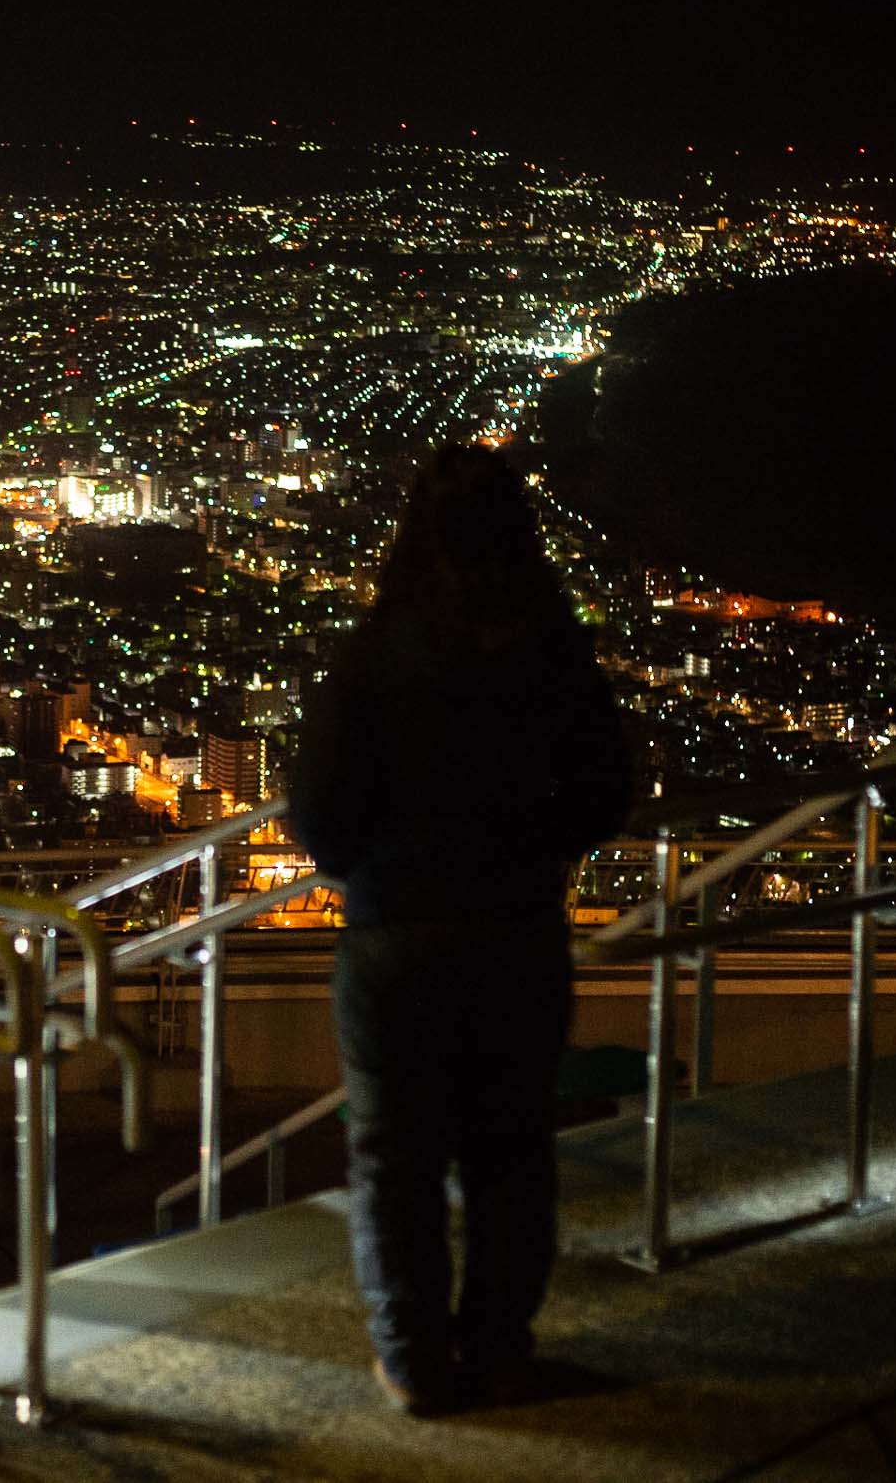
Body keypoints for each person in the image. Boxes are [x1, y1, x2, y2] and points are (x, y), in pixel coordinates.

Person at [289, 444, 631, 1416]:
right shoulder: (553, 649)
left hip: (396, 933)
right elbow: (607, 790)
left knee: (394, 1159)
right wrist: (534, 846)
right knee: (512, 1152)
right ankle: (500, 1348)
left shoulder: (378, 647)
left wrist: (377, 860)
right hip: (517, 930)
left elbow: (317, 810)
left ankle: (413, 1359)